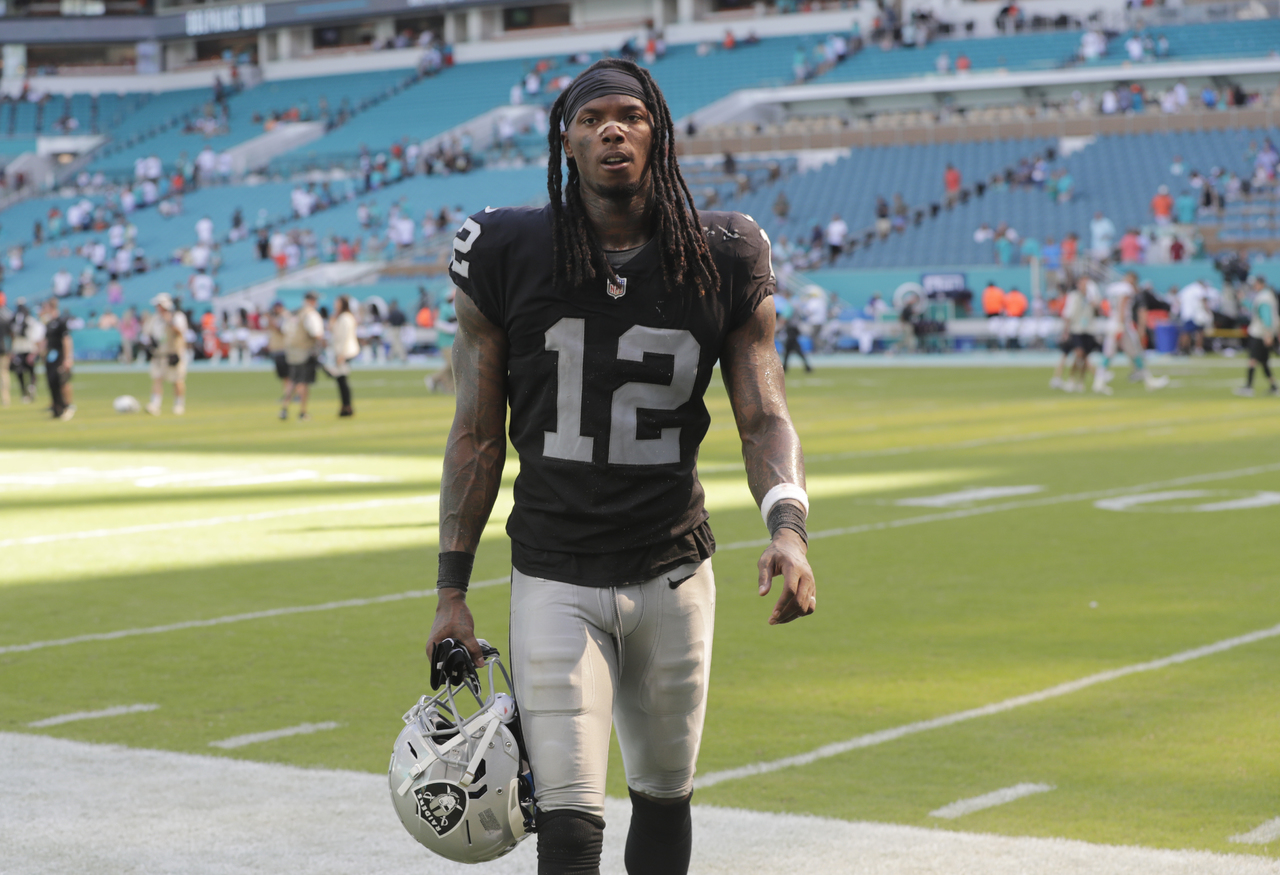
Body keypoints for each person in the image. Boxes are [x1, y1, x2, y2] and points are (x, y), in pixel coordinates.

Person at [427, 59, 815, 875]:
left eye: (632, 116)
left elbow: (763, 413)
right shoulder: (506, 250)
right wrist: (450, 589)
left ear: (658, 135)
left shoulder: (723, 251)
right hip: (555, 570)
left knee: (665, 797)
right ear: (565, 141)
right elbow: (476, 435)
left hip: (673, 567)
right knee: (569, 823)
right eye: (592, 117)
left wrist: (789, 526)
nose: (613, 128)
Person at [1094, 273, 1170, 394]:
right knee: (1129, 352)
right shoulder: (1126, 288)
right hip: (1121, 324)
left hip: (1112, 322)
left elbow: (1106, 305)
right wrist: (1120, 323)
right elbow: (1122, 303)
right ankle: (1099, 382)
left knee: (1122, 353)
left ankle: (1148, 380)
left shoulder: (1112, 287)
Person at [280, 291, 324, 420]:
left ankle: (284, 408)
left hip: (292, 351)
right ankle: (302, 412)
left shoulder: (296, 312)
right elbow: (316, 332)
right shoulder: (310, 314)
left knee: (293, 380)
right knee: (303, 382)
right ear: (312, 300)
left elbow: (285, 329)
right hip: (305, 351)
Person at [145, 293, 188, 416]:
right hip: (159, 354)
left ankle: (179, 404)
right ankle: (155, 404)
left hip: (173, 353)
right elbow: (149, 334)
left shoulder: (177, 317)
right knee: (157, 378)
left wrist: (169, 322)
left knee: (177, 380)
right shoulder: (154, 319)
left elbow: (180, 333)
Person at [1235, 276, 1278, 396]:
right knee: (1264, 361)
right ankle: (1274, 387)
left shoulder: (1264, 297)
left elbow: (1266, 317)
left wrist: (1268, 334)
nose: (1254, 286)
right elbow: (1256, 310)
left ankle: (1248, 387)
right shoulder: (1266, 295)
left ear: (1261, 284)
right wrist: (1243, 300)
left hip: (1260, 333)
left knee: (1252, 360)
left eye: (1255, 284)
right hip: (1263, 333)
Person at [40, 298, 75, 420]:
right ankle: (57, 407)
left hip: (60, 355)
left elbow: (66, 340)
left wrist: (68, 358)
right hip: (50, 357)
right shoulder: (48, 323)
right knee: (52, 381)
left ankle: (68, 405)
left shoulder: (61, 321)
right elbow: (46, 341)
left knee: (63, 381)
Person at [330, 294, 359, 416]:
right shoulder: (341, 317)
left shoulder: (346, 317)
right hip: (341, 351)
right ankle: (345, 406)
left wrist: (341, 354)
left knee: (342, 379)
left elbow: (345, 337)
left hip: (345, 352)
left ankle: (347, 406)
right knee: (340, 379)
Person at [425, 287, 457, 393]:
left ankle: (449, 387)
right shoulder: (444, 308)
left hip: (452, 340)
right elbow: (439, 323)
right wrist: (452, 328)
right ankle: (434, 378)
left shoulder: (451, 307)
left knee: (453, 365)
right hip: (446, 341)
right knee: (452, 364)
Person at [9, 302, 41, 403]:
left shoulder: (29, 321)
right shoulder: (16, 320)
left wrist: (34, 351)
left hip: (27, 348)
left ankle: (30, 389)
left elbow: (35, 337)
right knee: (20, 371)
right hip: (21, 349)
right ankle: (26, 391)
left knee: (29, 371)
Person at [0, 295, 11, 407]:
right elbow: (11, 334)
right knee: (4, 373)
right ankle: (5, 398)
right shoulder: (6, 316)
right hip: (3, 348)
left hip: (3, 348)